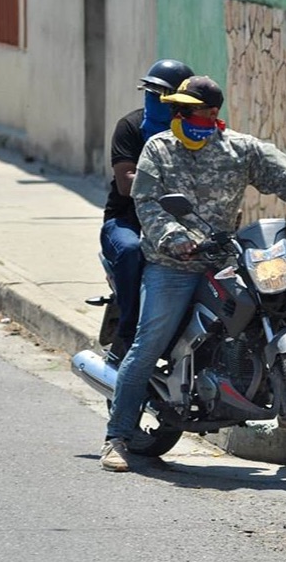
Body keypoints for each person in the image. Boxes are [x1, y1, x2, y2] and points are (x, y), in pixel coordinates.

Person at [100, 76, 286, 471]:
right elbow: (146, 202)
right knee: (149, 342)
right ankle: (117, 435)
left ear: (211, 113)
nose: (178, 115)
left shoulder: (240, 149)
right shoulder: (159, 148)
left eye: (187, 110)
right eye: (176, 110)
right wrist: (173, 236)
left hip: (225, 257)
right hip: (174, 263)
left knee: (284, 305)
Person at [100, 59, 194, 363]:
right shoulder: (129, 127)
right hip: (128, 221)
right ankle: (128, 333)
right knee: (130, 251)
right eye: (150, 93)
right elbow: (126, 184)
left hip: (183, 220)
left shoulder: (196, 133)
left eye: (163, 95)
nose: (155, 101)